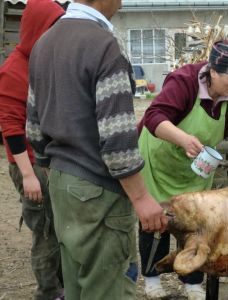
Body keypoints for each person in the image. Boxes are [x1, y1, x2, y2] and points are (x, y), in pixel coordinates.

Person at [26, 0, 168, 299]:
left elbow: (34, 126)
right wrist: (142, 198)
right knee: (109, 287)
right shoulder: (104, 45)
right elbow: (117, 139)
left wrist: (49, 167)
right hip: (98, 190)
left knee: (77, 284)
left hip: (61, 183)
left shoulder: (44, 42)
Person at [137, 40, 228, 300]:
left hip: (195, 167)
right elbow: (154, 116)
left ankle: (192, 280)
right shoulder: (184, 80)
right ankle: (152, 278)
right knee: (157, 221)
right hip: (160, 158)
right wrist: (183, 139)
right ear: (214, 71)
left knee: (196, 222)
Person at [0, 1, 65, 299]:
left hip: (52, 161)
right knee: (45, 233)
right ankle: (48, 293)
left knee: (60, 229)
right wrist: (28, 176)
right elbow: (10, 129)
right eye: (53, 27)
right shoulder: (14, 70)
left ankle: (62, 287)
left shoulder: (44, 61)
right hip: (31, 165)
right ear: (38, 29)